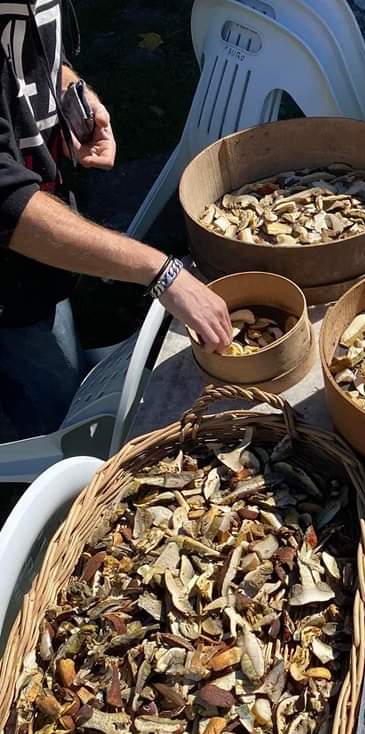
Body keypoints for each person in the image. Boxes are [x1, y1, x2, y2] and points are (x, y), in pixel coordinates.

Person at [0, 0, 232, 442]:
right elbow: (7, 205)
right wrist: (161, 273)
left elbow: (36, 40)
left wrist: (69, 90)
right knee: (56, 424)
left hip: (36, 263)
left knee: (65, 368)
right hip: (9, 277)